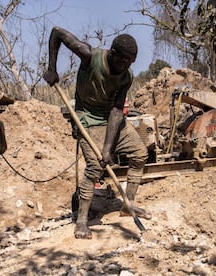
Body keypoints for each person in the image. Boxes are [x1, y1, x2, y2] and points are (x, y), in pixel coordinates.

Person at [43, 26, 151, 239]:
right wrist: (52, 68)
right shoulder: (89, 56)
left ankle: (128, 205)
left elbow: (117, 111)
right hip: (87, 120)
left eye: (131, 62)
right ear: (112, 53)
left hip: (110, 121)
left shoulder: (125, 77)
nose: (127, 66)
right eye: (123, 61)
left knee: (140, 153)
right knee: (94, 166)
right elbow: (57, 32)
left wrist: (108, 148)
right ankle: (82, 221)